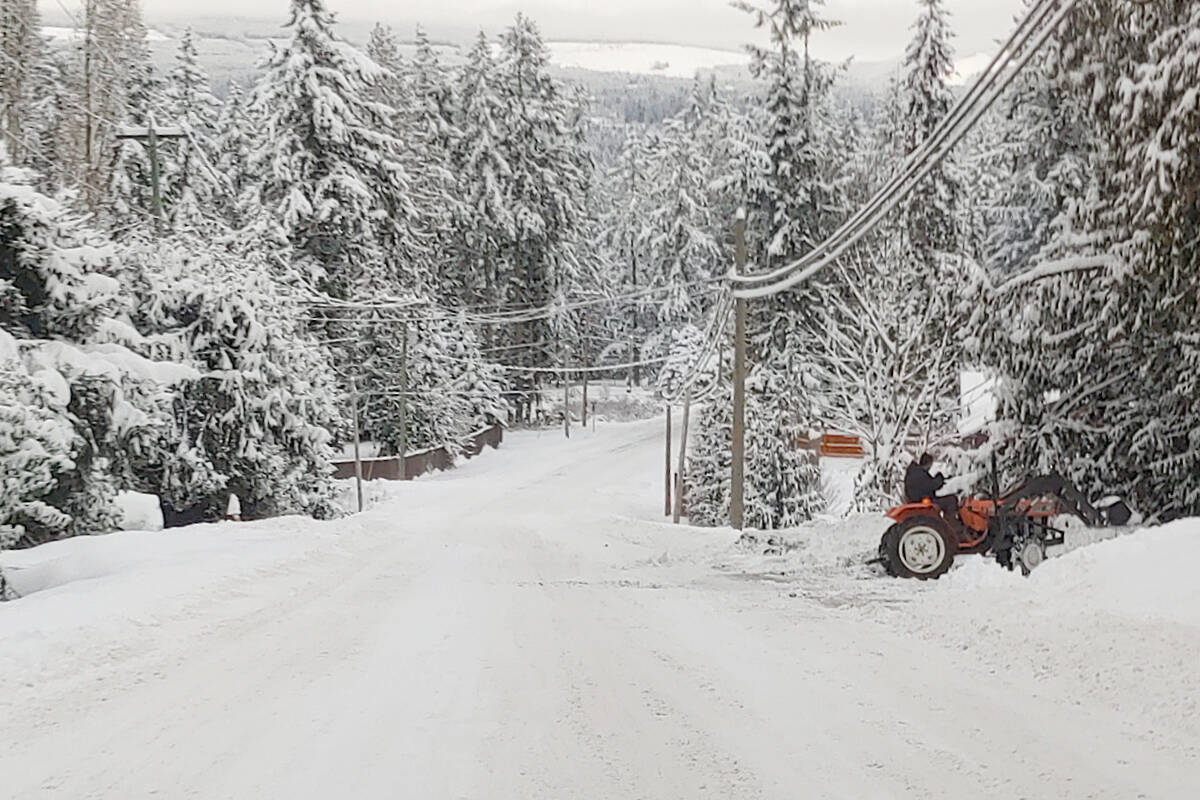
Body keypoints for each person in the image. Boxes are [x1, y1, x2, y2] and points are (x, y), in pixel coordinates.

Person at [904, 452, 958, 519]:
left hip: (918, 499)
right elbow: (931, 485)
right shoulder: (919, 473)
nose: (930, 467)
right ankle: (951, 523)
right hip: (922, 501)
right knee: (951, 500)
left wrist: (942, 479)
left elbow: (927, 483)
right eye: (930, 465)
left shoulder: (915, 472)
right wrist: (939, 479)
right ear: (928, 463)